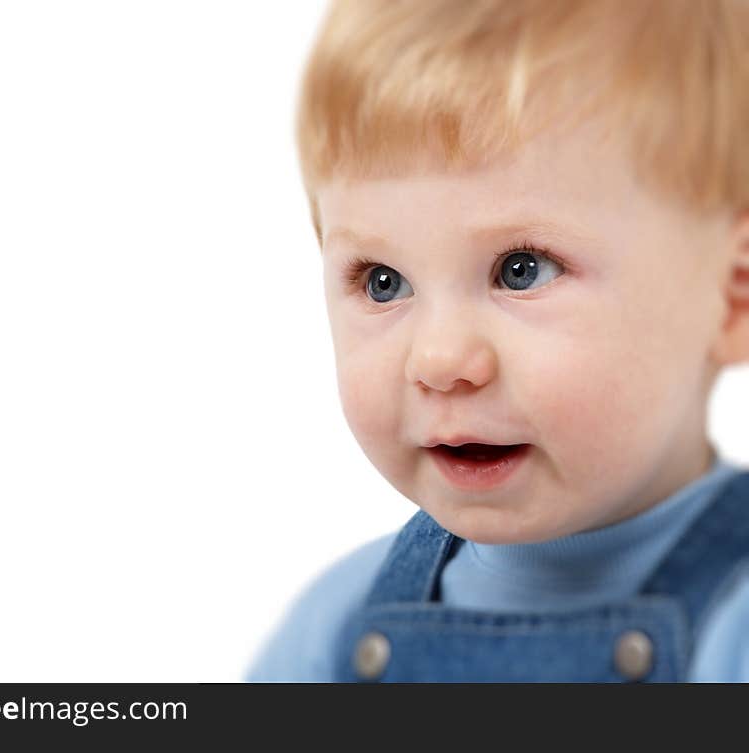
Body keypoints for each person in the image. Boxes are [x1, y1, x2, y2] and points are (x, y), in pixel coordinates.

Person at [247, 0, 749, 682]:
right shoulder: (335, 630)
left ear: (731, 295)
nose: (441, 360)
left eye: (522, 270)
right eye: (384, 281)